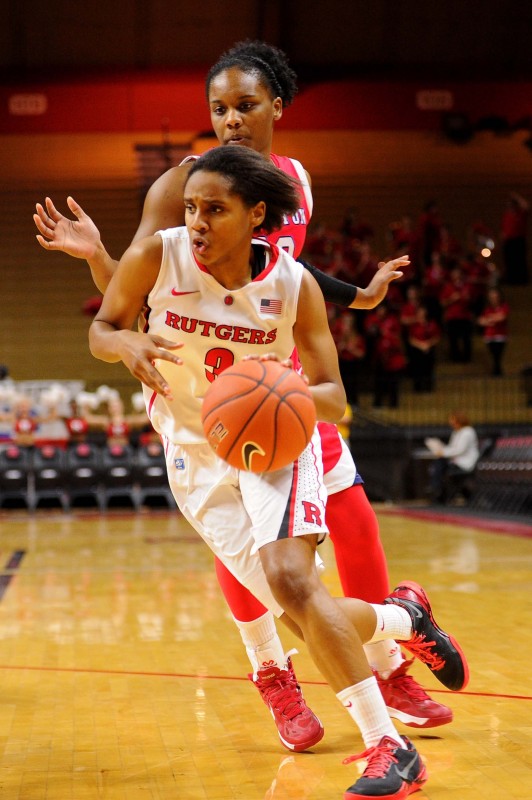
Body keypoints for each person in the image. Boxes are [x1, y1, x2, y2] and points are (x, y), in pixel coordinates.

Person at [34, 40, 452, 745]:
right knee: (263, 568)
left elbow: (290, 271)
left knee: (350, 521)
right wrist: (97, 258)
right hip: (202, 397)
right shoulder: (180, 188)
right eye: (219, 109)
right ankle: (278, 671)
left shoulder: (295, 182)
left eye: (245, 106)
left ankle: (388, 664)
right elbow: (134, 292)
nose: (230, 120)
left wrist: (359, 297)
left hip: (276, 383)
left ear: (276, 108)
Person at [88, 145, 468, 798]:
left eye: (216, 209)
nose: (198, 222)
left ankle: (390, 747)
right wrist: (122, 341)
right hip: (193, 455)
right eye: (190, 208)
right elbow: (102, 326)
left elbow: (333, 396)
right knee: (300, 613)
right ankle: (404, 619)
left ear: (256, 213)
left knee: (294, 580)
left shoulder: (294, 286)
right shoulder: (159, 257)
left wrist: (273, 391)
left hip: (272, 443)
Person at [425, 409, 480, 504]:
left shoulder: (468, 432)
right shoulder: (456, 432)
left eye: (454, 422)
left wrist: (443, 453)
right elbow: (452, 448)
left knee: (440, 463)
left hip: (465, 463)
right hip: (457, 461)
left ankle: (436, 487)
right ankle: (437, 488)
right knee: (440, 462)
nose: (452, 424)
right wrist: (441, 450)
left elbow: (459, 450)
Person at [477, 287, 509, 377]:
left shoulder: (504, 306)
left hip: (500, 335)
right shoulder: (487, 309)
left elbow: (502, 317)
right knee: (493, 354)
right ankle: (496, 371)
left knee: (498, 354)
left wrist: (489, 319)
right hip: (489, 335)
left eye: (495, 297)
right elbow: (480, 320)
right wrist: (492, 319)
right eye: (492, 297)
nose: (494, 299)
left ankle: (497, 371)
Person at [500, 191, 529, 286]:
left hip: (518, 240)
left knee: (519, 261)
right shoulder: (507, 215)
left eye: (512, 205)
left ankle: (521, 280)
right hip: (509, 241)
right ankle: (511, 280)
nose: (510, 207)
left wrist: (516, 196)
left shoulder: (521, 214)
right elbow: (504, 228)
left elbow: (526, 206)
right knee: (509, 261)